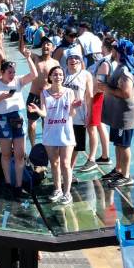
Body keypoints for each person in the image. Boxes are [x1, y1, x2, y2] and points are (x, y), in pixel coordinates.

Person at [0, 48, 39, 196]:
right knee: (6, 154)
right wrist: (2, 97)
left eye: (13, 72)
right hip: (1, 120)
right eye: (9, 72)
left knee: (19, 154)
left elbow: (34, 75)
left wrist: (28, 58)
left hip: (17, 117)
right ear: (2, 72)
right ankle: (8, 183)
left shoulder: (18, 81)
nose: (12, 75)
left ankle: (18, 185)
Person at [28, 65, 84, 204]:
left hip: (65, 132)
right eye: (55, 74)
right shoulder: (44, 93)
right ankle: (57, 189)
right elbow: (44, 113)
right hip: (50, 132)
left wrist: (73, 107)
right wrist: (37, 110)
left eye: (60, 74)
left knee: (65, 163)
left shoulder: (69, 92)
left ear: (63, 77)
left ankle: (67, 192)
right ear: (50, 77)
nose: (58, 76)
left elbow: (71, 114)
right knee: (54, 163)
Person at [100, 39, 134, 188]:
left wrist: (106, 88)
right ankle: (118, 169)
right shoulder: (121, 66)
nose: (112, 51)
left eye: (114, 49)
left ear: (119, 52)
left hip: (125, 116)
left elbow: (126, 93)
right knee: (118, 143)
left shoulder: (125, 71)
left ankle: (126, 175)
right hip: (118, 114)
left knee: (124, 145)